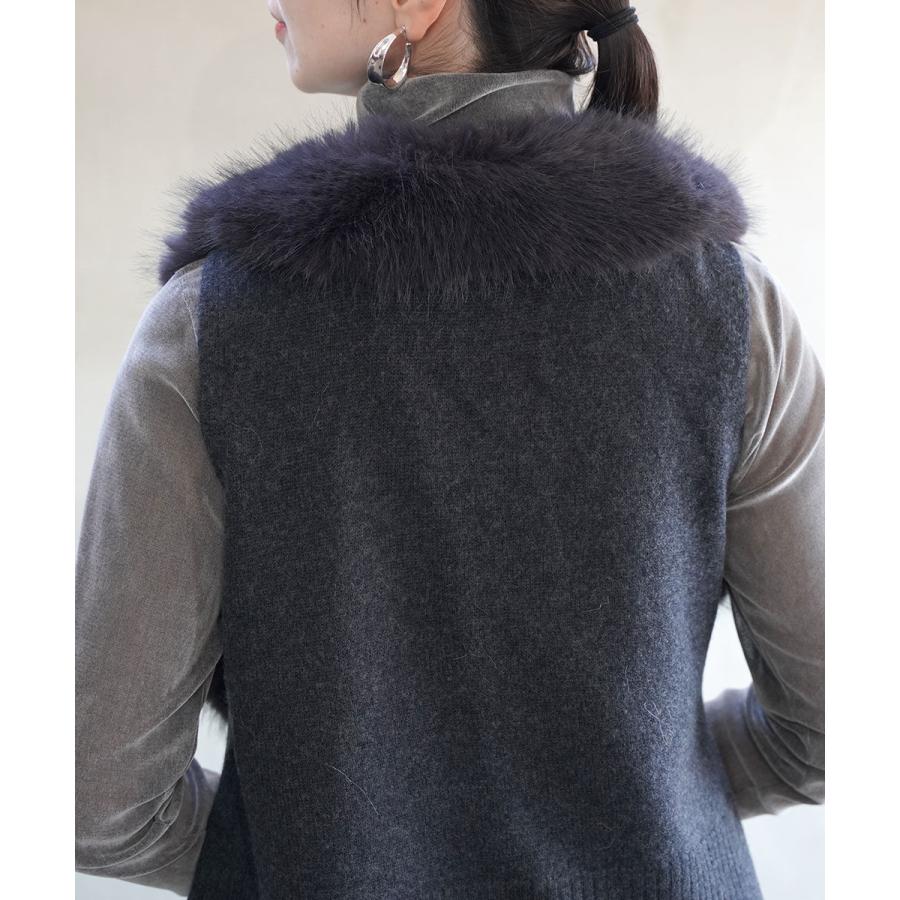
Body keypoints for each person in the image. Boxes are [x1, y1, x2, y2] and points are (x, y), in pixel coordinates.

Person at [75, 1, 825, 898]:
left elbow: (99, 802)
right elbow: (832, 727)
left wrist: (296, 844)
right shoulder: (735, 308)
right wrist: (650, 803)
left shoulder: (209, 325)